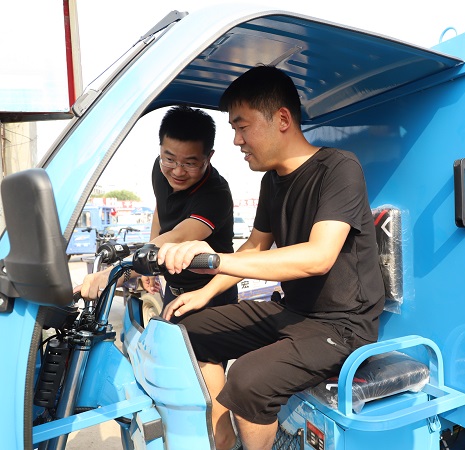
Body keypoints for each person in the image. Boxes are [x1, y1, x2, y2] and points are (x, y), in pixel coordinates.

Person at [157, 66, 385, 450]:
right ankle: (223, 436)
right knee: (186, 331)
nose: (236, 140)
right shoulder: (271, 181)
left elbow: (319, 256)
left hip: (344, 325)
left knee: (248, 379)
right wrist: (204, 294)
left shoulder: (339, 168)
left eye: (242, 127)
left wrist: (215, 260)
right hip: (294, 312)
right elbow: (255, 247)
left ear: (281, 119)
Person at [78, 105, 238, 313]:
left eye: (190, 163)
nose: (177, 171)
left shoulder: (216, 194)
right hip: (173, 289)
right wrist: (148, 263)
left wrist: (111, 275)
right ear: (161, 149)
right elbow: (160, 210)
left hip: (211, 295)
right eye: (169, 159)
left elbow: (179, 237)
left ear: (209, 156)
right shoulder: (161, 170)